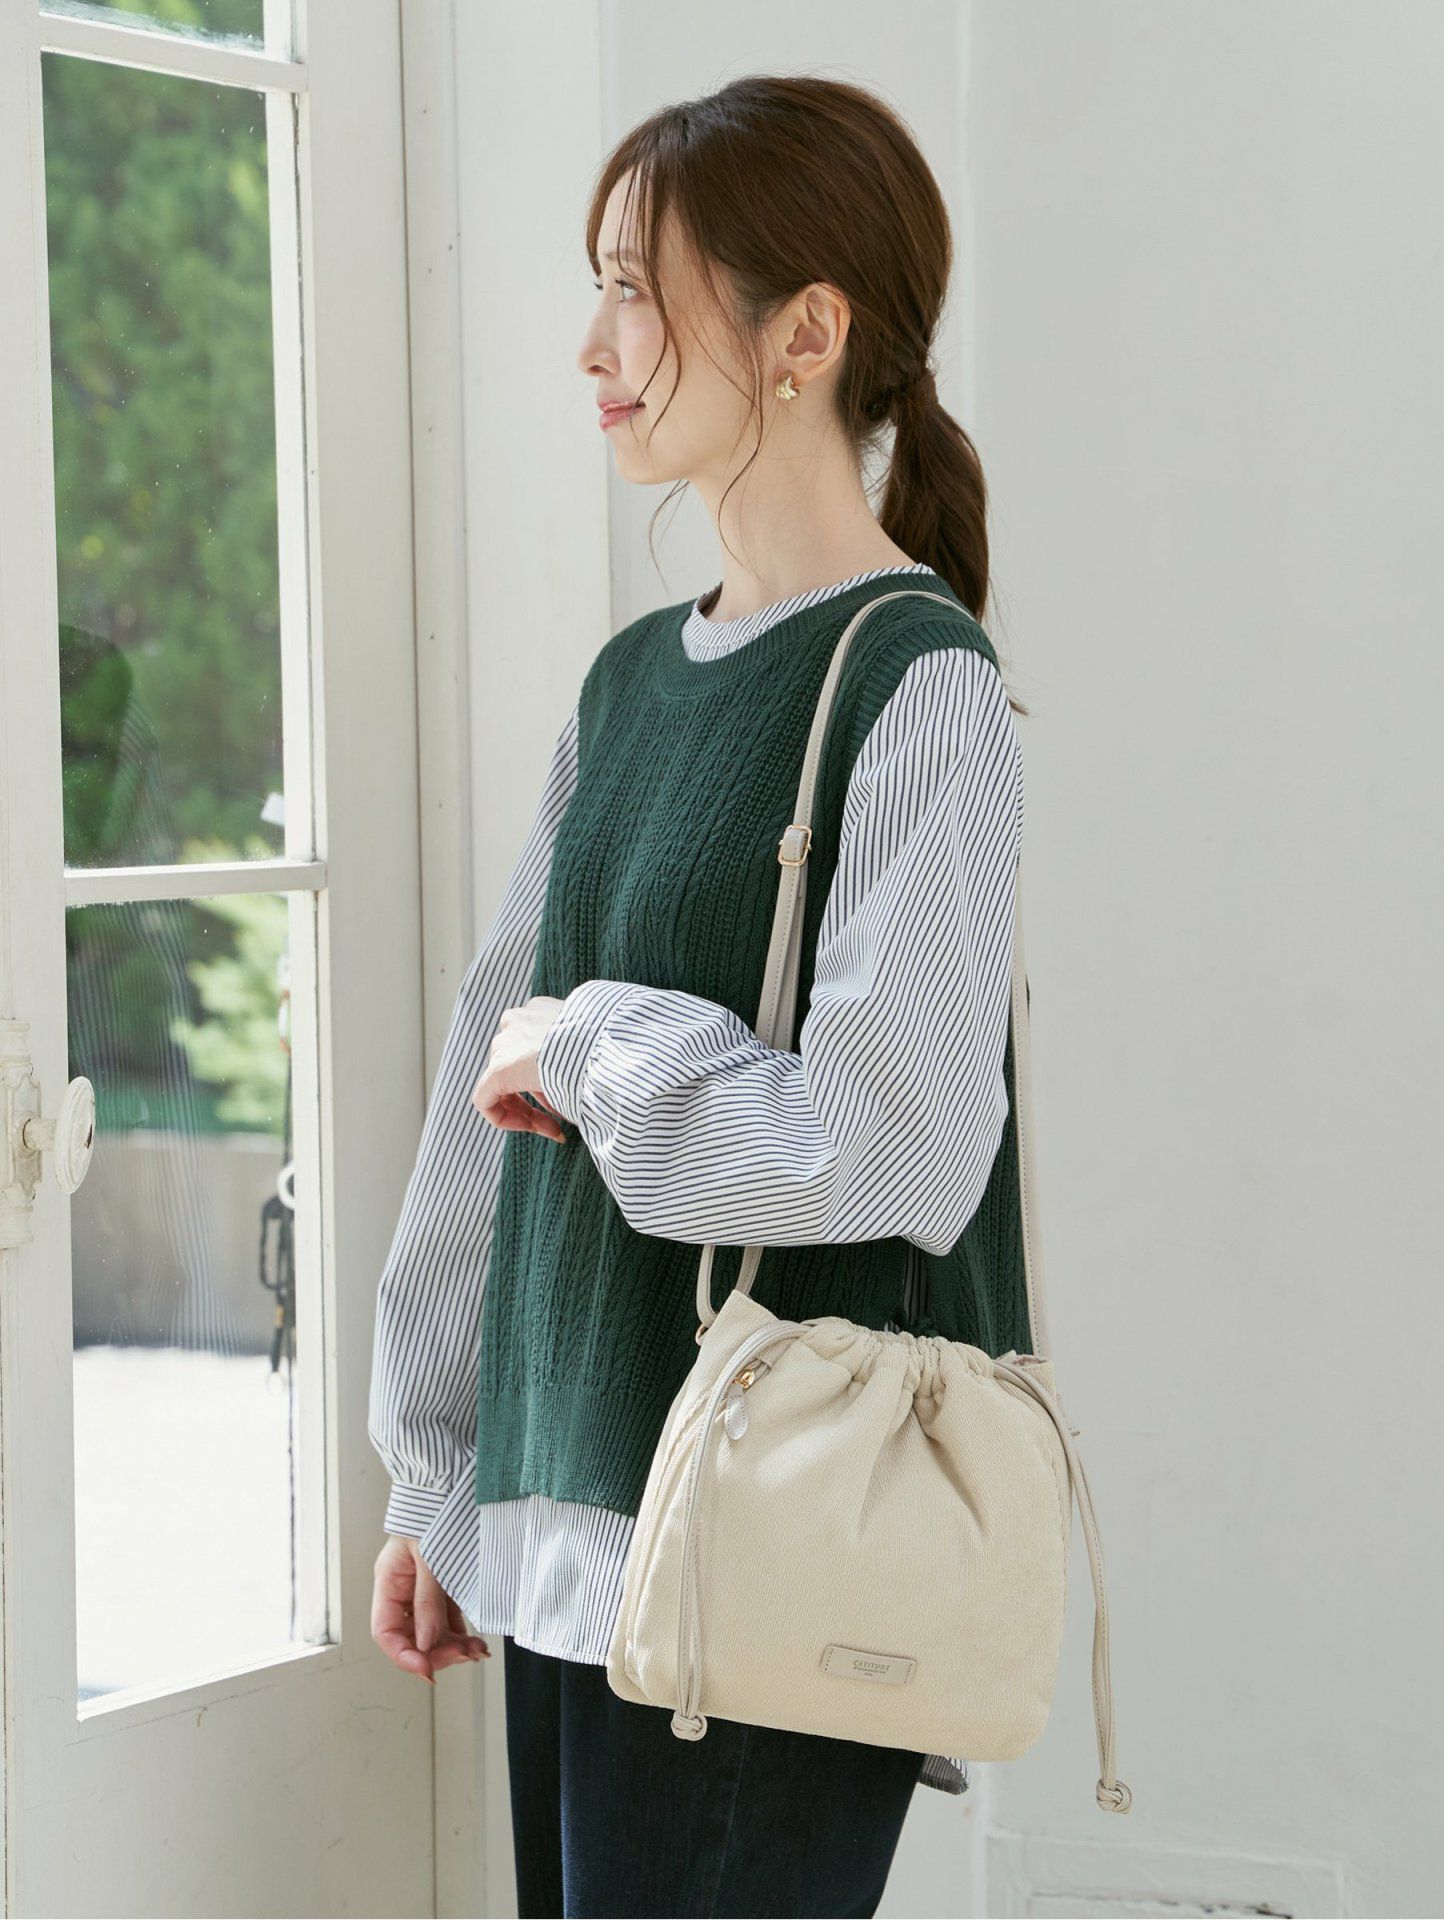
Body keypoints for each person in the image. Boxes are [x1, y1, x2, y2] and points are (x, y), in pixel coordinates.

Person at [368, 73, 1035, 1919]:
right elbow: (486, 1082)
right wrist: (445, 1476)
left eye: (634, 291)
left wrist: (598, 1049)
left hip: (762, 1545)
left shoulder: (920, 689)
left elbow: (890, 1150)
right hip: (578, 1518)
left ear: (804, 336)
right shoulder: (629, 685)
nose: (592, 344)